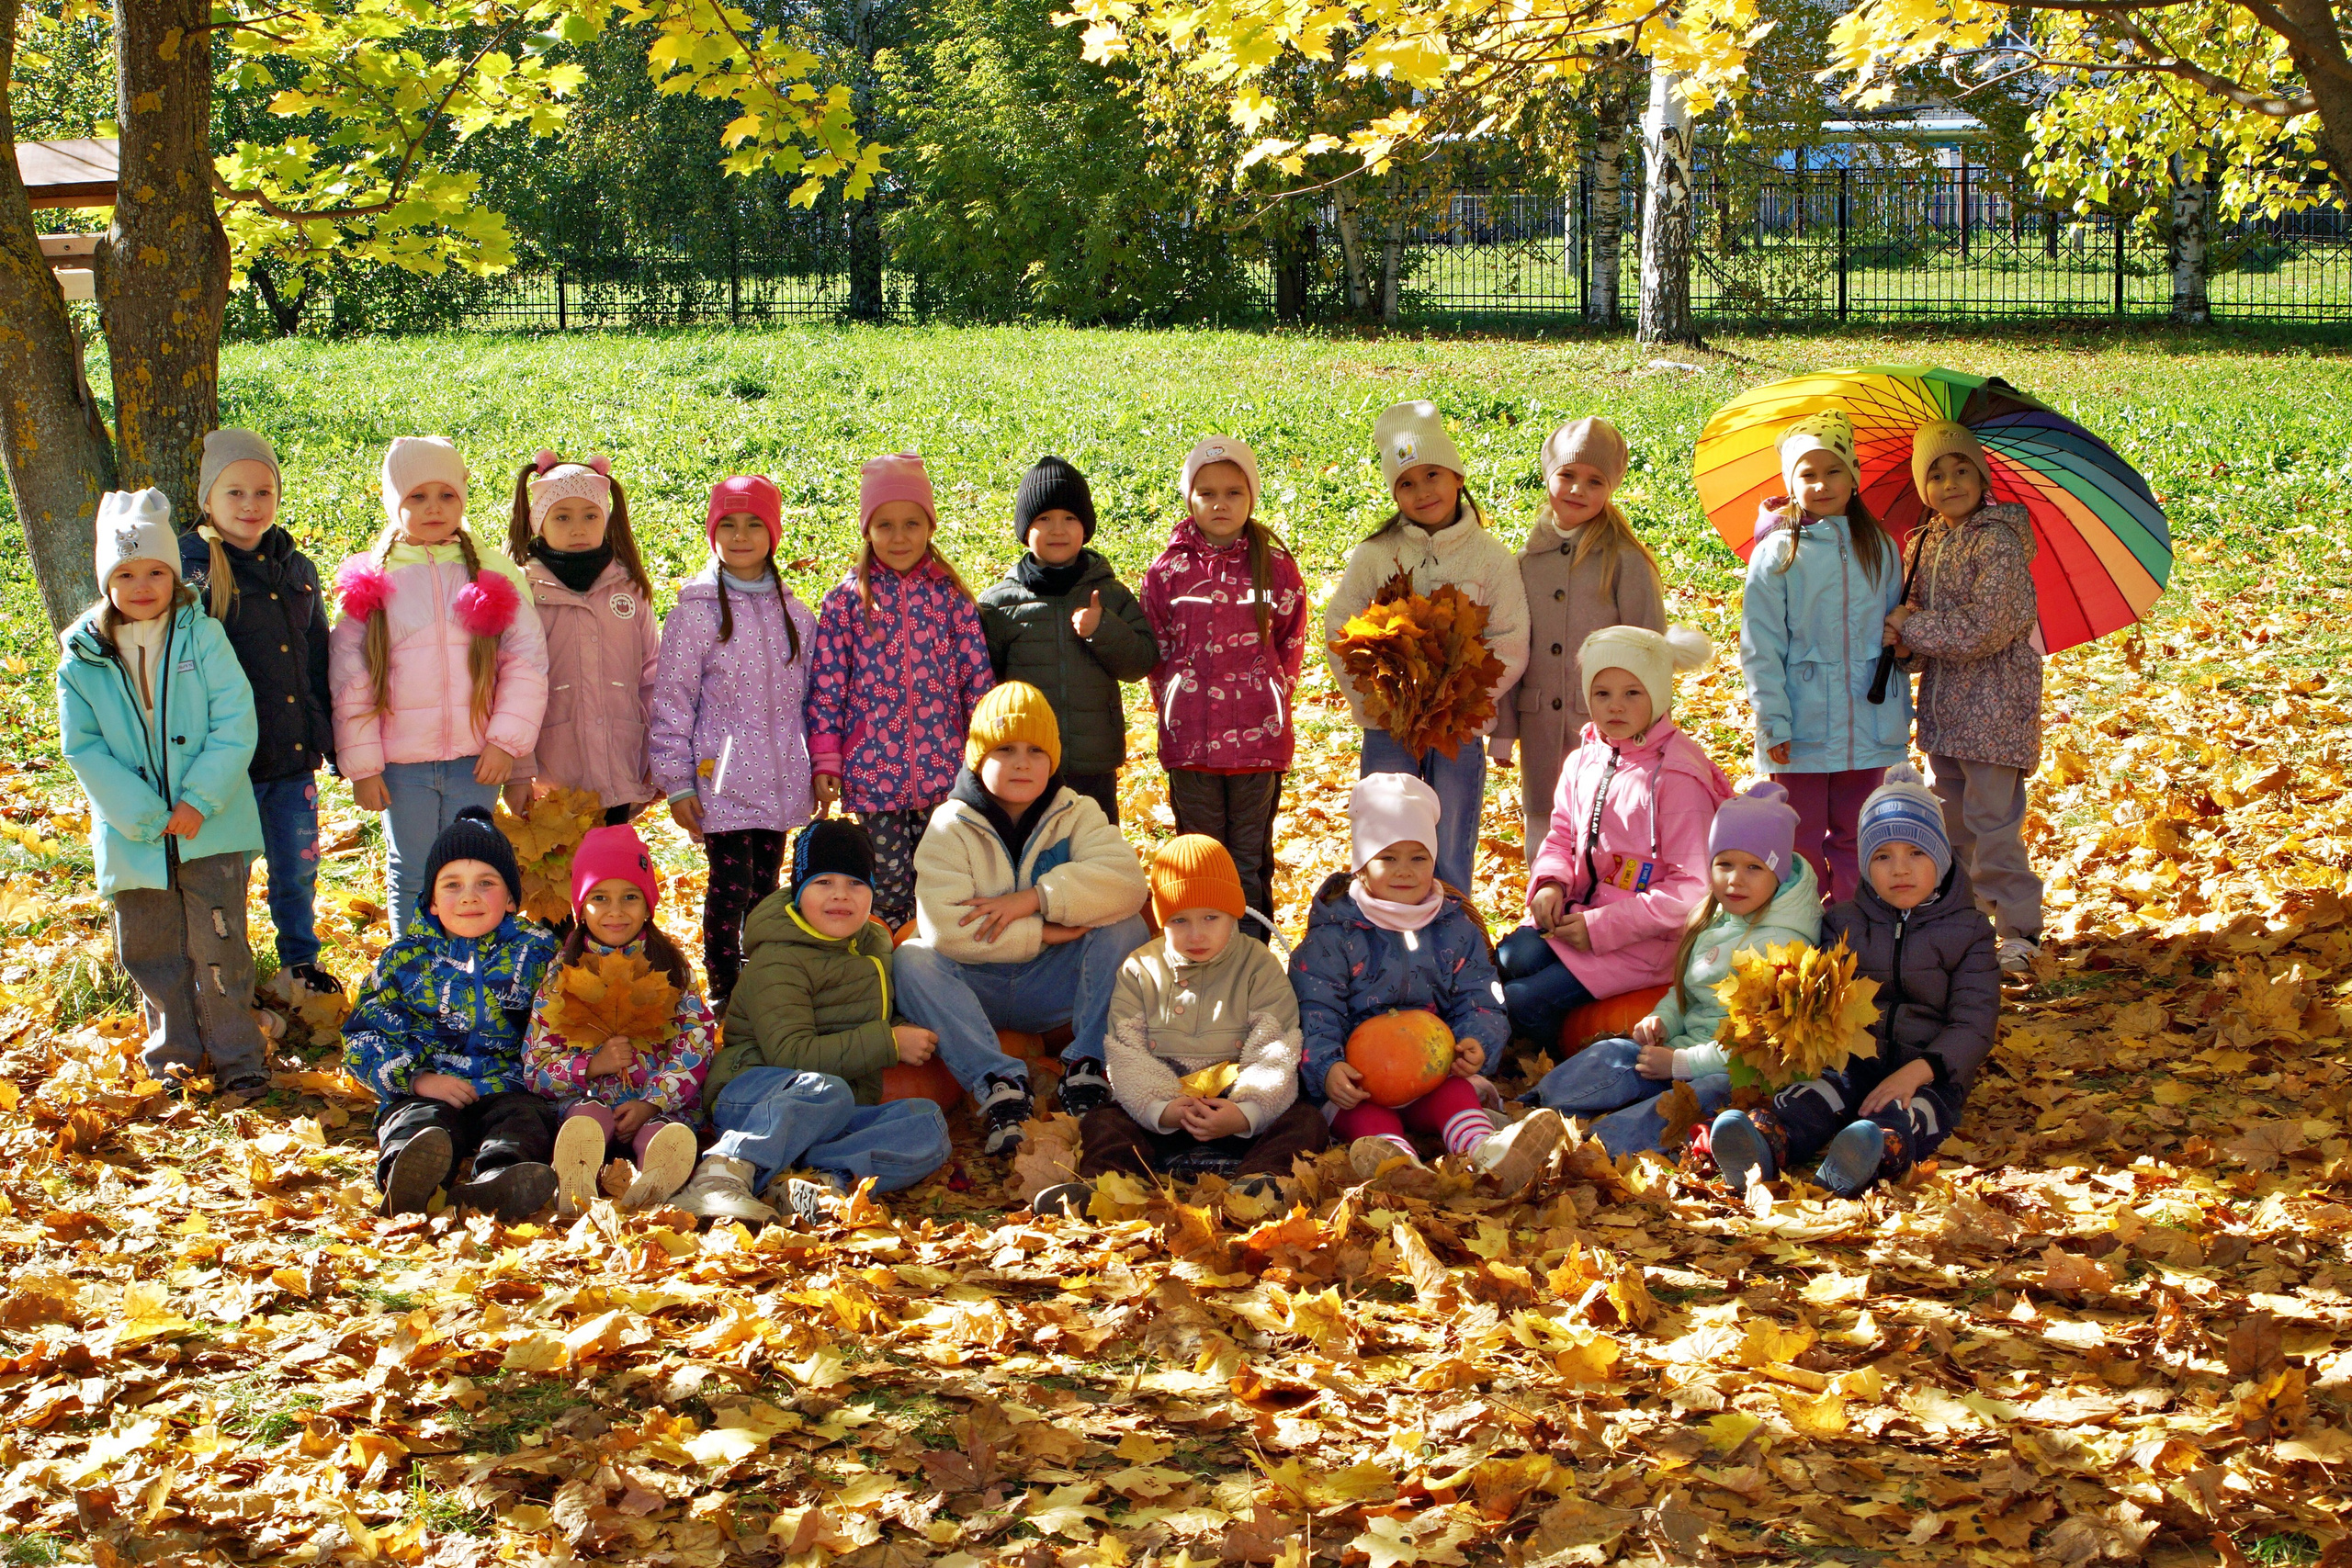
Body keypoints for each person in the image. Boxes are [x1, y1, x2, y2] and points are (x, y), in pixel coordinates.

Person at [60, 490, 270, 1096]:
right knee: (151, 950)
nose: (143, 584)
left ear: (174, 575)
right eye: (125, 573)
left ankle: (239, 1057)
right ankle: (172, 1058)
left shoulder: (201, 638)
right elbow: (84, 747)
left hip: (211, 824)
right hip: (135, 835)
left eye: (155, 570)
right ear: (106, 579)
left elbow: (236, 722)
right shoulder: (82, 657)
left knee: (220, 943)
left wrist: (198, 798)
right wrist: (142, 815)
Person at [1708, 766, 2000, 1196]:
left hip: (1929, 1071)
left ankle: (1870, 1152)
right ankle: (1767, 1142)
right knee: (1816, 1095)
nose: (1900, 869)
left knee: (1911, 1114)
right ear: (1865, 866)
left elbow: (1974, 1023)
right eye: (1882, 856)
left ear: (1940, 857)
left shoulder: (1970, 931)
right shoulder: (1844, 921)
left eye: (1916, 853)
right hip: (1851, 1057)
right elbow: (1821, 994)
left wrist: (1918, 1072)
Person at [892, 682, 1152, 1156]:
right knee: (912, 959)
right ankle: (1000, 1086)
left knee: (1126, 927)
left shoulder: (1076, 813)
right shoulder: (951, 825)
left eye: (1036, 751)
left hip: (1054, 988)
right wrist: (1044, 932)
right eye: (1005, 749)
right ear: (977, 756)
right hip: (975, 991)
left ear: (1052, 760)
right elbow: (946, 928)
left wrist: (1034, 898)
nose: (1021, 762)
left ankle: (1087, 1068)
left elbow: (1128, 884)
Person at [1292, 774, 1564, 1198]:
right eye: (1388, 858)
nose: (1404, 871)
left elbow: (1481, 995)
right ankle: (1399, 1165)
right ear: (1361, 865)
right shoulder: (1334, 936)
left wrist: (1477, 1041)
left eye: (1418, 858)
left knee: (1456, 1096)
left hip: (1431, 1072)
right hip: (1361, 1079)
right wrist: (1326, 1068)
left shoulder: (1454, 928)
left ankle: (1488, 1153)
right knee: (1366, 1116)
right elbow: (1315, 1009)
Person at [674, 819, 955, 1225]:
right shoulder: (779, 957)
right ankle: (723, 1172)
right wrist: (889, 1043)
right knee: (825, 1090)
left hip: (836, 1106)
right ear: (798, 890)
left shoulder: (872, 946)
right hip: (758, 1093)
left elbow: (870, 1013)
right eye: (824, 882)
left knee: (926, 1122)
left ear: (872, 893)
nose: (841, 894)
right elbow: (790, 1053)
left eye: (856, 884)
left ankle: (819, 1182)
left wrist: (913, 1026)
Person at [1033, 836, 1330, 1217]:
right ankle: (1105, 1187)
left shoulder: (1257, 965)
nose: (1196, 934)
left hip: (1236, 1109)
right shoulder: (1140, 969)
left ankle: (1261, 1185)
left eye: (1211, 917)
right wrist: (1163, 1108)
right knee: (1104, 1121)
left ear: (1234, 914)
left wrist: (1244, 1112)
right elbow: (1126, 1051)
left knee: (1304, 1121)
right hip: (1165, 1113)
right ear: (1161, 920)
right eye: (1179, 920)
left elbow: (1275, 1045)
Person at [1526, 782, 1819, 1156]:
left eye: (1753, 867)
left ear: (1777, 874)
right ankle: (1533, 1109)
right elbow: (1686, 992)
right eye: (1724, 864)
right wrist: (1663, 1019)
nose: (1734, 879)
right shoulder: (1715, 917)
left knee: (1695, 1099)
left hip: (1737, 1073)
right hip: (1682, 1052)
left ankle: (1596, 1150)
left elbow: (1759, 1047)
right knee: (1614, 1053)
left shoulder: (1784, 947)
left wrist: (1682, 1063)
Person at [329, 436, 548, 932]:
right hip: (400, 764)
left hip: (476, 759)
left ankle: (466, 961)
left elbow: (526, 663)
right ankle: (412, 967)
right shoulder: (373, 580)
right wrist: (363, 766)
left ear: (464, 497)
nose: (434, 508)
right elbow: (350, 679)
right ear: (393, 503)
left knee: (471, 870)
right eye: (417, 497)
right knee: (413, 869)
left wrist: (504, 742)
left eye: (446, 495)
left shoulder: (492, 572)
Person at [1322, 401, 1530, 895]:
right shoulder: (1376, 556)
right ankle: (1383, 933)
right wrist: (1378, 702)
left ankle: (1452, 932)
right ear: (1394, 493)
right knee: (1387, 835)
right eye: (1406, 483)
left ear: (1457, 477)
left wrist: (1466, 703)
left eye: (1432, 474)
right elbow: (1340, 630)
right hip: (1389, 726)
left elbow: (1511, 638)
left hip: (1458, 730)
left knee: (1451, 834)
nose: (1423, 491)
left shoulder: (1491, 558)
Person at [1497, 625, 1731, 1058]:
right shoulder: (1585, 757)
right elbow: (1562, 833)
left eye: (1632, 693)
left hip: (1648, 942)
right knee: (1511, 957)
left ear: (1658, 696)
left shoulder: (1677, 777)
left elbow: (1692, 890)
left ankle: (1564, 1055)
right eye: (1602, 694)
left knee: (1523, 1002)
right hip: (1580, 914)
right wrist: (1551, 883)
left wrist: (1602, 928)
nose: (1615, 707)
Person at [649, 476, 819, 1012]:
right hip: (718, 779)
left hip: (780, 776)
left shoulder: (797, 616)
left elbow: (814, 700)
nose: (741, 535)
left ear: (774, 533)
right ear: (711, 532)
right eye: (728, 524)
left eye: (754, 525)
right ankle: (724, 988)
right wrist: (678, 783)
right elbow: (672, 702)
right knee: (730, 885)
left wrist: (817, 766)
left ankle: (762, 984)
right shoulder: (694, 615)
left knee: (767, 890)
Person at [343, 808, 562, 1222]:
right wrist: (418, 1079)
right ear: (430, 899)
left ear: (511, 897)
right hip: (426, 1084)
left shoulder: (537, 952)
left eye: (486, 883)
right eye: (452, 885)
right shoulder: (406, 959)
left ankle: (499, 1177)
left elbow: (563, 1023)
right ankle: (405, 1179)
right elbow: (365, 1035)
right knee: (420, 1124)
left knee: (523, 1121)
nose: (469, 896)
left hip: (507, 1084)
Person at [180, 429, 340, 998]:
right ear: (208, 498)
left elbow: (319, 654)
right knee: (227, 876)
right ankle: (230, 977)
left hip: (291, 755)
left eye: (263, 491)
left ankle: (300, 963)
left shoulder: (296, 568)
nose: (250, 506)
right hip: (225, 767)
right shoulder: (190, 573)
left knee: (296, 870)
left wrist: (336, 737)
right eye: (235, 493)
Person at [805, 454, 995, 930]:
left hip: (944, 766)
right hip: (872, 773)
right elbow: (827, 686)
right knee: (887, 883)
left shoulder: (950, 596)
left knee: (945, 872)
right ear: (867, 530)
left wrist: (986, 750)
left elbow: (978, 679)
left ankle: (940, 963)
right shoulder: (847, 600)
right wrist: (827, 758)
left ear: (929, 526)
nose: (899, 537)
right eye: (884, 524)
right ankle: (890, 970)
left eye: (912, 523)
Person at [1888, 421, 2044, 975]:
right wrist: (1902, 645)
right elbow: (1921, 634)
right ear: (1921, 486)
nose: (1950, 483)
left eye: (1962, 471)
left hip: (1997, 706)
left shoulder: (1997, 540)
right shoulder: (1925, 543)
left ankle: (2019, 929)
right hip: (1946, 711)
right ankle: (1967, 924)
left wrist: (1916, 629)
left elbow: (1988, 625)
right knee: (1952, 823)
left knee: (1993, 824)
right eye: (1935, 474)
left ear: (1982, 478)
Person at [1738, 412, 1909, 904]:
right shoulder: (1778, 553)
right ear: (1790, 484)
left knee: (1860, 833)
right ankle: (1804, 926)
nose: (1821, 484)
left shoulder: (1879, 545)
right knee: (1800, 838)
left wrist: (1902, 638)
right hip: (1803, 722)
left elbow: (1892, 630)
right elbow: (1761, 644)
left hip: (1870, 718)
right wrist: (1774, 720)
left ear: (1854, 476)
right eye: (1806, 474)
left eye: (1833, 470)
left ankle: (1855, 929)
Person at [1141, 436, 1308, 934]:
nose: (1220, 503)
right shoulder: (1169, 571)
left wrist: (1271, 699)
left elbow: (1289, 640)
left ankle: (1253, 958)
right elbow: (1157, 651)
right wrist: (1174, 709)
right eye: (1207, 492)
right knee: (1201, 854)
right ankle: (1203, 955)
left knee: (1248, 857)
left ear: (1251, 496)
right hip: (1190, 742)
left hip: (1258, 743)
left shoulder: (1275, 568)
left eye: (1234, 492)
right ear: (1188, 498)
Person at [1490, 417, 1666, 854]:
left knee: (1605, 829)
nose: (1577, 490)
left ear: (1611, 489)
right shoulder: (1527, 561)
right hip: (1541, 729)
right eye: (1567, 476)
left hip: (1609, 725)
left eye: (1594, 481)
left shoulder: (1624, 561)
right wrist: (1504, 726)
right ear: (1548, 474)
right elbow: (1514, 647)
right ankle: (1545, 914)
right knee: (1544, 830)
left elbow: (1651, 651)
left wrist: (1650, 726)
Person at [529, 825, 716, 1213]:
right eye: (600, 898)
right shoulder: (563, 974)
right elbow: (536, 1063)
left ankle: (654, 1187)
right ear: (581, 907)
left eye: (630, 897)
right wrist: (590, 1066)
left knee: (663, 1135)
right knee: (587, 1119)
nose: (616, 911)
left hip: (659, 1106)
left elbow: (695, 1041)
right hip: (587, 1099)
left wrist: (653, 1101)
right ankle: (576, 1183)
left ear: (649, 905)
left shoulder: (671, 968)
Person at [978, 455, 1158, 824]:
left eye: (1070, 519)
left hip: (1093, 761)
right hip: (1024, 763)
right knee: (1030, 848)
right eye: (1044, 519)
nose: (1058, 529)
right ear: (1024, 529)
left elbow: (1141, 661)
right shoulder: (999, 604)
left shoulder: (1109, 593)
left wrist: (1102, 629)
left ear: (1086, 528)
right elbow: (983, 685)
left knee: (1095, 848)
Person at [503, 452, 661, 827]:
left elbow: (652, 677)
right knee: (557, 878)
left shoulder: (628, 588)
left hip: (618, 762)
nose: (578, 528)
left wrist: (658, 754)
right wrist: (518, 771)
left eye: (590, 516)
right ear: (538, 523)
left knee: (610, 874)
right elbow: (509, 686)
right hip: (552, 773)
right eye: (562, 516)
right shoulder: (522, 592)